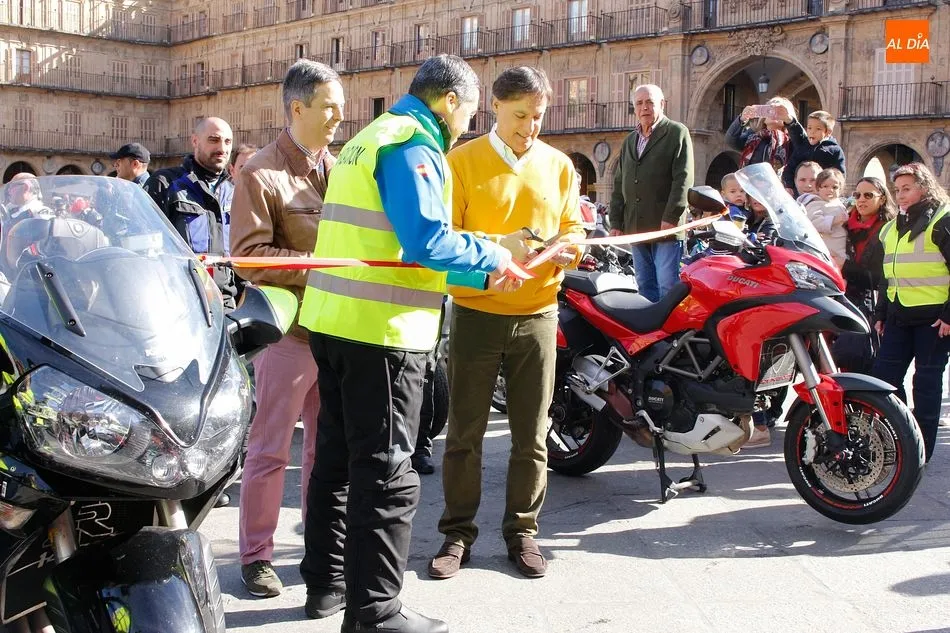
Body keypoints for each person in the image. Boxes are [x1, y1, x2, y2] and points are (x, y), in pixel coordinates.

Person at [296, 54, 518, 633]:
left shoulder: (369, 138)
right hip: (384, 336)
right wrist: (495, 254)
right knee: (389, 474)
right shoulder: (414, 142)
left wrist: (479, 272)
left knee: (336, 464)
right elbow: (424, 240)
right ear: (449, 101)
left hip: (335, 321)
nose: (467, 126)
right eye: (469, 114)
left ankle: (325, 585)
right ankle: (376, 613)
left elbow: (394, 248)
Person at [429, 66, 584, 582]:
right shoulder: (460, 163)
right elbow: (441, 244)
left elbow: (574, 227)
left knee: (532, 433)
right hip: (476, 315)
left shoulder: (560, 166)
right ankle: (457, 533)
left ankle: (523, 531)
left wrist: (571, 250)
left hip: (539, 314)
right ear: (495, 107)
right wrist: (485, 277)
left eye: (538, 117)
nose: (530, 128)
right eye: (521, 116)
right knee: (464, 431)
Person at [228, 61, 343, 600]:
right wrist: (314, 261)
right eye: (329, 106)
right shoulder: (260, 172)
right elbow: (247, 257)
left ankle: (317, 550)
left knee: (325, 450)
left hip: (335, 330)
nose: (340, 116)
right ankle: (256, 557)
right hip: (288, 335)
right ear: (298, 108)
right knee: (270, 449)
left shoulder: (340, 168)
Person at [873, 162, 950, 463]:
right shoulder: (891, 227)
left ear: (924, 187)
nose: (901, 195)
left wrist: (948, 316)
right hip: (899, 315)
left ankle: (922, 452)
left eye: (907, 188)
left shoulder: (943, 220)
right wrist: (881, 313)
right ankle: (902, 437)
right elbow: (886, 274)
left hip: (934, 319)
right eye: (897, 190)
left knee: (926, 386)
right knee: (884, 380)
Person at [608, 84, 693, 302]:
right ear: (634, 108)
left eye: (650, 102)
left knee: (667, 285)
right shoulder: (630, 141)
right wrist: (616, 222)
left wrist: (671, 217)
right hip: (637, 225)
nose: (644, 107)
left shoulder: (676, 132)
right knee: (644, 285)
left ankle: (671, 335)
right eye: (639, 103)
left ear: (662, 104)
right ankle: (651, 335)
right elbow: (619, 183)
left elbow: (683, 179)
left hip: (665, 226)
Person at [144, 117, 238, 308]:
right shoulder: (165, 183)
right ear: (195, 141)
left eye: (227, 141)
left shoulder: (233, 190)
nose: (222, 148)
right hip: (180, 299)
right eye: (214, 140)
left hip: (225, 301)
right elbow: (144, 244)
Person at [832, 176, 895, 373]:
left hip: (872, 306)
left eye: (868, 195)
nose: (861, 200)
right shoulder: (843, 226)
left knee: (866, 365)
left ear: (882, 198)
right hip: (839, 299)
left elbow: (880, 278)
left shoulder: (889, 229)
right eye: (857, 195)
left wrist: (845, 266)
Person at [783, 110, 846, 196]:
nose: (812, 132)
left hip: (821, 195)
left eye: (818, 129)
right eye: (809, 128)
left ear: (828, 132)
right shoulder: (802, 147)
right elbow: (790, 168)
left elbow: (839, 174)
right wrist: (788, 186)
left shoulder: (834, 150)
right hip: (799, 192)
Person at [725, 96, 795, 171]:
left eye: (779, 111)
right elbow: (731, 140)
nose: (773, 113)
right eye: (769, 109)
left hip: (777, 181)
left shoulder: (791, 141)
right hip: (751, 180)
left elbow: (802, 144)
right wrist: (742, 118)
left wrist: (791, 123)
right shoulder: (753, 136)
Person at [803, 168, 848, 268]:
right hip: (825, 250)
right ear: (818, 188)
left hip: (840, 249)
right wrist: (834, 220)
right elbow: (814, 223)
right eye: (825, 186)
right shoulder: (815, 204)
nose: (830, 190)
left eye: (835, 187)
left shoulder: (840, 205)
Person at [218, 143, 259, 254]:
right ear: (232, 170)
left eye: (253, 167)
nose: (248, 173)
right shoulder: (219, 199)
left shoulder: (270, 204)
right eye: (243, 167)